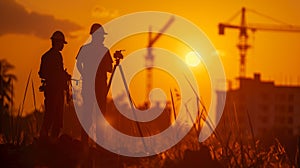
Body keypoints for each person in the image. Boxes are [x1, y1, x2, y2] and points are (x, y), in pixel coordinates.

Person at [76, 23, 113, 144]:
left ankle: (84, 142)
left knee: (88, 114)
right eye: (101, 35)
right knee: (99, 115)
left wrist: (84, 74)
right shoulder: (103, 50)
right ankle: (99, 143)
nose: (103, 38)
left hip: (89, 85)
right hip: (99, 87)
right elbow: (110, 69)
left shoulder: (85, 49)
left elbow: (78, 64)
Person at [38, 30, 70, 139]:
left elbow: (42, 73)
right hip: (55, 90)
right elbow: (58, 73)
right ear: (57, 42)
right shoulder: (57, 56)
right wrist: (65, 77)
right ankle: (51, 141)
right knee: (56, 117)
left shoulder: (45, 56)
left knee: (50, 114)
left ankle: (46, 139)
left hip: (49, 90)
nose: (62, 46)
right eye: (61, 43)